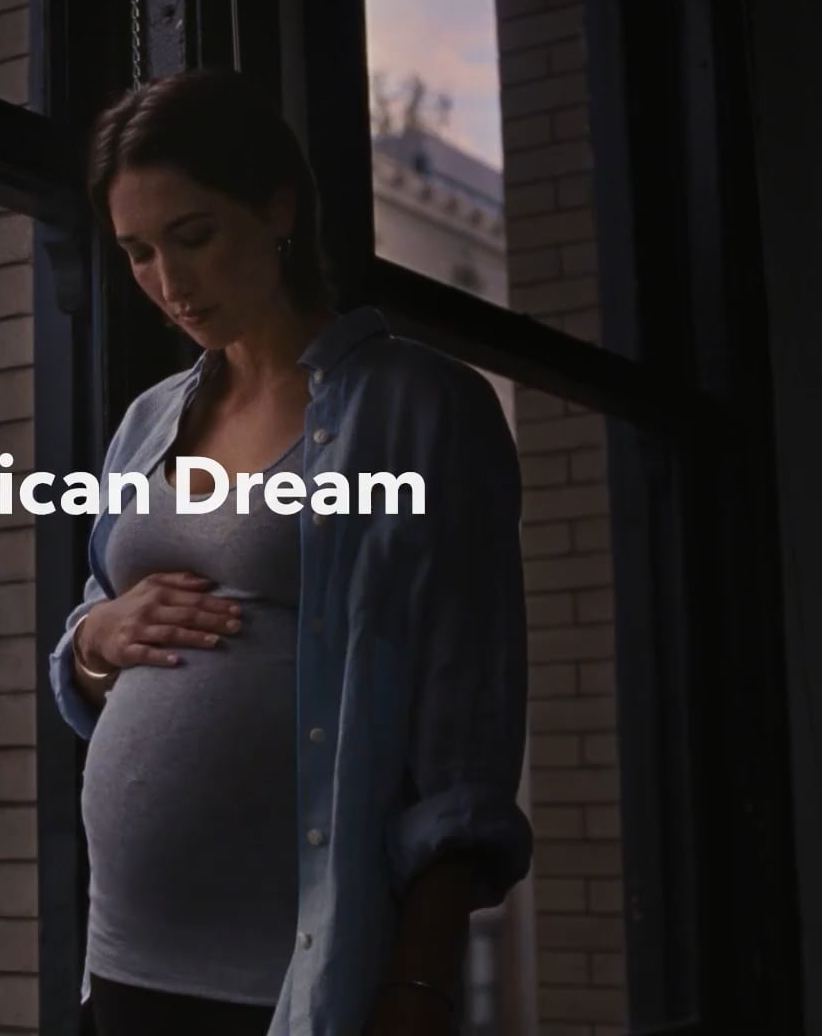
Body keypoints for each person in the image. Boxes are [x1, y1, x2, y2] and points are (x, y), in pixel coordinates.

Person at [47, 67, 533, 1036]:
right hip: (122, 961)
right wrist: (96, 639)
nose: (169, 284)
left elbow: (467, 724)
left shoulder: (422, 407)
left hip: (300, 977)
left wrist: (419, 981)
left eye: (194, 237)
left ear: (277, 208)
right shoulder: (149, 420)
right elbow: (95, 626)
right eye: (138, 252)